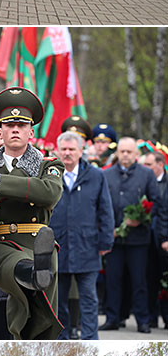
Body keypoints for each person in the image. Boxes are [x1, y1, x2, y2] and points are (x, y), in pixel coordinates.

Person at [0, 88, 64, 339]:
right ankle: (32, 274)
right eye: (9, 124)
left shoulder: (49, 165)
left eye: (21, 124)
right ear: (0, 131)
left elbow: (49, 193)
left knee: (39, 327)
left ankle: (38, 273)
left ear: (31, 132)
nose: (15, 129)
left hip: (39, 243)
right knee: (13, 265)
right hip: (0, 243)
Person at [50, 130, 114, 340]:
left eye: (72, 149)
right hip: (58, 248)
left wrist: (106, 241)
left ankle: (89, 340)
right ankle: (62, 340)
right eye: (64, 149)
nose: (67, 153)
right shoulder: (50, 174)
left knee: (89, 299)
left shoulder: (96, 176)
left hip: (88, 247)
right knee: (58, 301)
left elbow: (105, 210)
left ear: (81, 151)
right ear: (58, 151)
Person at [102, 137, 159, 333]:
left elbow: (156, 202)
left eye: (129, 152)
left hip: (138, 238)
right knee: (113, 280)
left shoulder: (146, 175)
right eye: (122, 151)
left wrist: (142, 218)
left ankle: (143, 320)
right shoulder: (106, 174)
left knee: (139, 281)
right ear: (117, 153)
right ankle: (112, 318)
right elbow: (100, 204)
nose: (125, 155)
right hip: (114, 238)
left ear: (136, 154)